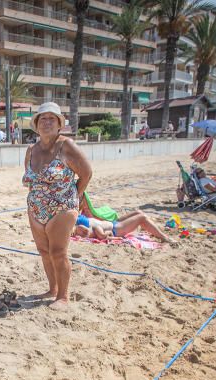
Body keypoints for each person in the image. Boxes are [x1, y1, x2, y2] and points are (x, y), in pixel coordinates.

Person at [22, 102, 93, 310]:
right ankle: (52, 289)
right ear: (36, 124)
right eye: (42, 118)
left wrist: (74, 197)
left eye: (51, 118)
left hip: (62, 208)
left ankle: (63, 296)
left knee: (58, 252)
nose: (46, 122)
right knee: (44, 251)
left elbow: (86, 173)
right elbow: (30, 180)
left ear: (59, 124)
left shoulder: (66, 145)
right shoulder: (31, 150)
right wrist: (36, 203)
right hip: (36, 209)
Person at [73, 210, 173, 243]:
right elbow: (89, 232)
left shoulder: (72, 215)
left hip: (112, 222)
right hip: (115, 229)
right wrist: (109, 235)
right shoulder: (73, 225)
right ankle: (164, 237)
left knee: (138, 212)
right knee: (142, 217)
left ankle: (151, 229)